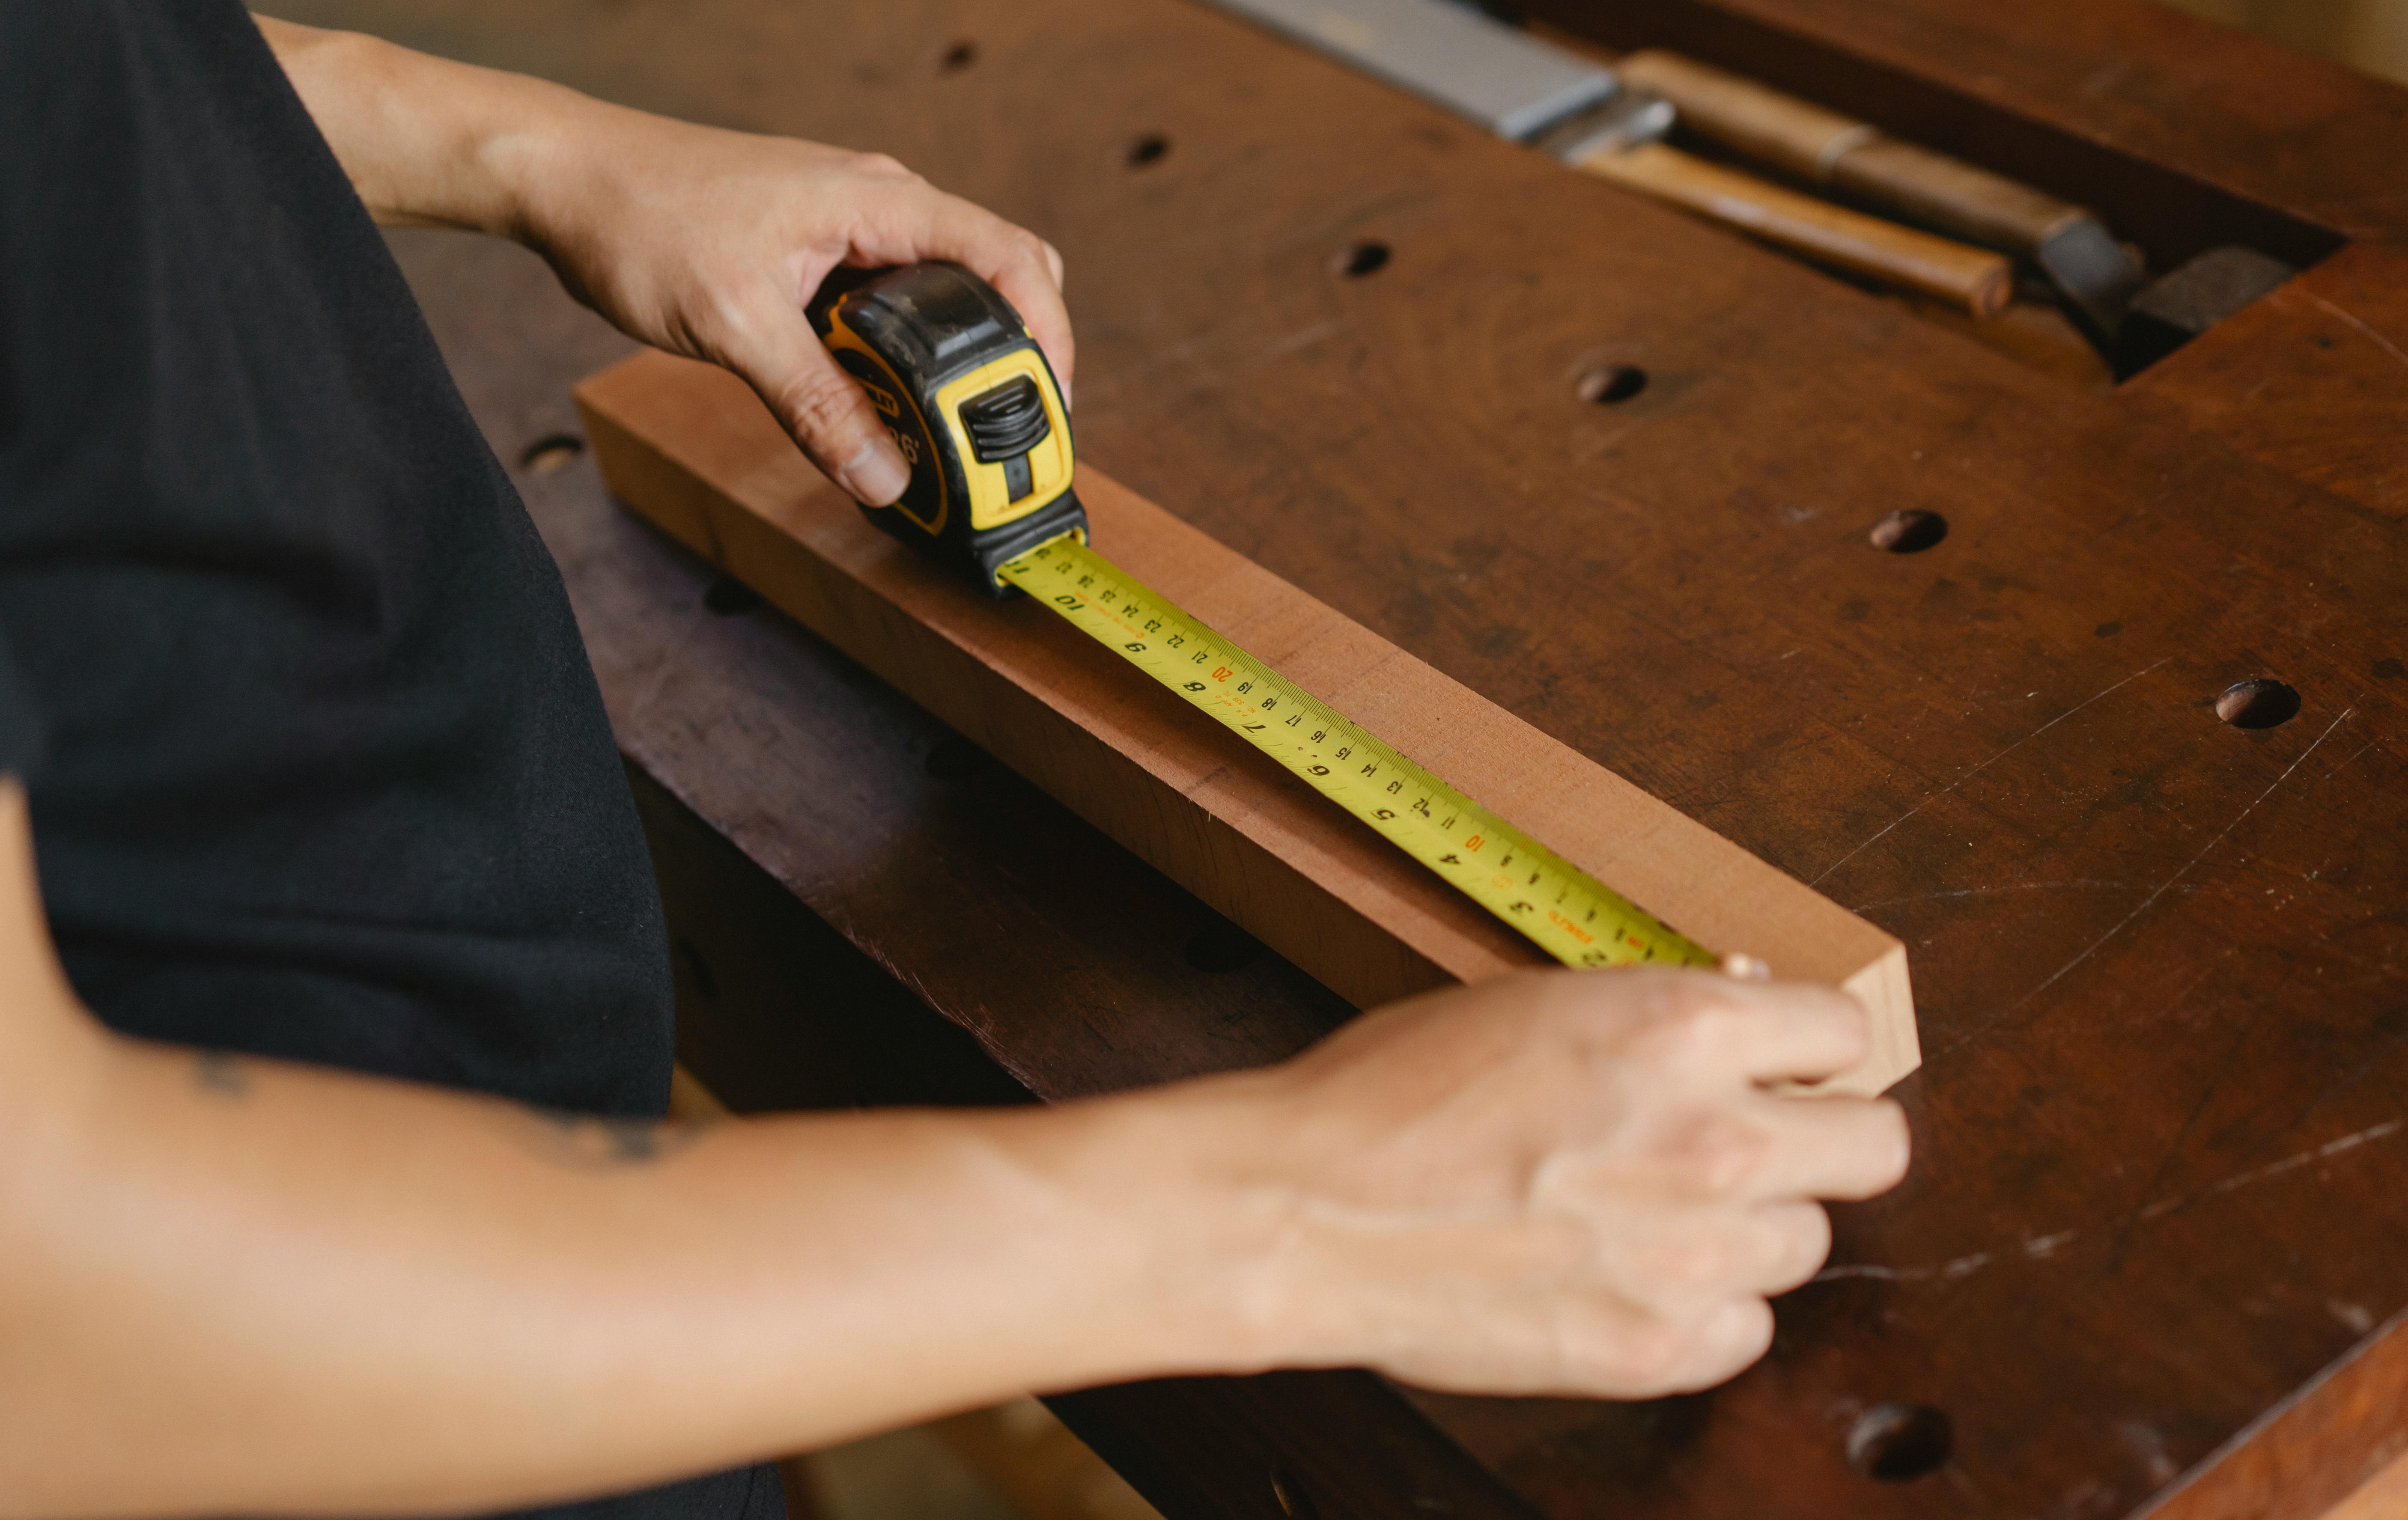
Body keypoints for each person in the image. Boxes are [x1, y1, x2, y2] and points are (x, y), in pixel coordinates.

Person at [0, 5, 1911, 1517]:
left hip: (515, 1201)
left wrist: (524, 143)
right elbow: (46, 1331)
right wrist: (1299, 1203)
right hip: (354, 1387)